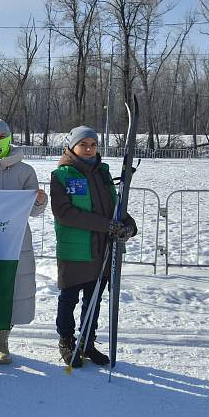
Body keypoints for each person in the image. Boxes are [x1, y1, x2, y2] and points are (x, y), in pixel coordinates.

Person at [50, 125, 136, 368]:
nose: (88, 149)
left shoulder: (103, 173)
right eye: (83, 145)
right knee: (69, 298)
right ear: (72, 146)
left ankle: (88, 341)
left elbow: (115, 205)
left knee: (94, 298)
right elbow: (65, 213)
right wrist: (107, 226)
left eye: (93, 145)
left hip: (102, 250)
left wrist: (128, 225)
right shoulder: (62, 175)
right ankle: (67, 340)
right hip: (75, 249)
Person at [0, 118, 47, 364]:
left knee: (12, 289)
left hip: (16, 239)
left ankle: (3, 340)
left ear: (9, 138)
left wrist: (39, 200)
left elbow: (34, 211)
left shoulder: (25, 171)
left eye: (1, 136)